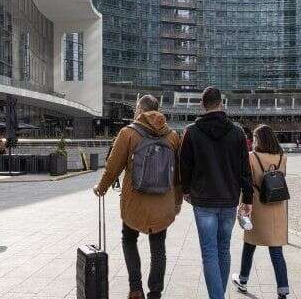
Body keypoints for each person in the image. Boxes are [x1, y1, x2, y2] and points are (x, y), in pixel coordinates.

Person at [93, 94, 182, 299]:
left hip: (135, 202)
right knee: (158, 248)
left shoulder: (127, 133)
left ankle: (135, 289)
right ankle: (155, 293)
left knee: (129, 239)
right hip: (162, 204)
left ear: (140, 110)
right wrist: (176, 203)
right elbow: (178, 175)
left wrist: (102, 187)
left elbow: (112, 167)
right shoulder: (172, 136)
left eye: (135, 108)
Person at [180, 87, 253, 299]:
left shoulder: (191, 131)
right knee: (224, 249)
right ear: (221, 103)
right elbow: (245, 169)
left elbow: (184, 165)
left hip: (202, 200)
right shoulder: (237, 132)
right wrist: (247, 199)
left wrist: (185, 190)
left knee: (209, 252)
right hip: (229, 199)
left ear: (203, 105)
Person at [233, 125, 290, 298]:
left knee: (249, 244)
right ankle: (283, 291)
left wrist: (242, 205)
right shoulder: (282, 157)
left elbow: (246, 183)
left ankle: (243, 281)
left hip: (257, 206)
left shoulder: (252, 157)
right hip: (277, 207)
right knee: (276, 251)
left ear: (259, 139)